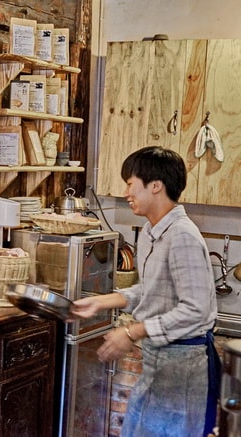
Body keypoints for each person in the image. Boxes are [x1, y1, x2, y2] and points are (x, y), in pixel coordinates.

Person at [71, 146, 219, 436]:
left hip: (182, 369)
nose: (126, 193)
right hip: (157, 362)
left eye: (130, 183)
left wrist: (131, 332)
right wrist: (101, 301)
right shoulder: (151, 233)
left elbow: (195, 309)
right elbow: (151, 290)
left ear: (155, 186)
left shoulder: (182, 236)